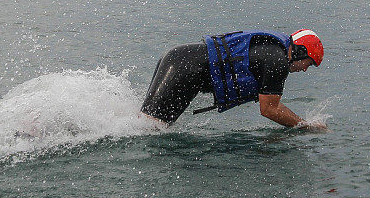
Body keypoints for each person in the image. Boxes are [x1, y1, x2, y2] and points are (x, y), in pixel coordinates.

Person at [140, 29, 326, 130]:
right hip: (185, 68)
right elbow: (270, 109)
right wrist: (305, 126)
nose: (304, 70)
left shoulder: (274, 51)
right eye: (308, 64)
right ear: (300, 52)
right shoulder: (277, 60)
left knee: (149, 125)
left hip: (180, 59)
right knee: (149, 130)